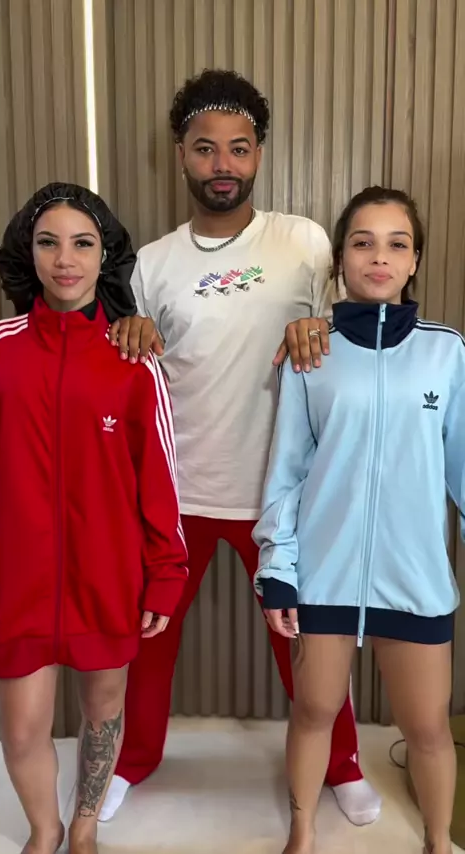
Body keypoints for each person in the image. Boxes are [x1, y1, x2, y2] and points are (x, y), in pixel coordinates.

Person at [100, 68, 381, 827]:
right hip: (179, 492)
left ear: (259, 153)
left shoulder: (303, 242)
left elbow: (353, 334)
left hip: (283, 495)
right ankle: (132, 761)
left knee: (308, 645)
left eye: (238, 147)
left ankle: (343, 764)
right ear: (181, 155)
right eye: (205, 148)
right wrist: (131, 332)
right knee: (148, 642)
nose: (222, 164)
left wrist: (323, 325)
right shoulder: (151, 264)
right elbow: (129, 376)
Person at [253, 185, 460, 854]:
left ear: (415, 260)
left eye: (397, 244)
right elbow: (287, 471)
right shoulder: (311, 354)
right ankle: (303, 832)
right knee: (313, 710)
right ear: (340, 257)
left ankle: (437, 842)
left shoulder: (447, 353)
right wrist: (278, 569)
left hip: (415, 578)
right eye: (363, 242)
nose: (380, 257)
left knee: (427, 727)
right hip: (326, 573)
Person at [0, 182, 188, 854]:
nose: (64, 259)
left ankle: (84, 825)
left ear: (106, 256)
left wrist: (165, 574)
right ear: (28, 252)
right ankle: (44, 829)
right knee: (21, 729)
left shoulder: (133, 362)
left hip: (107, 579)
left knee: (103, 713)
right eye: (48, 242)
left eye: (82, 243)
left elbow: (160, 478)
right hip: (16, 583)